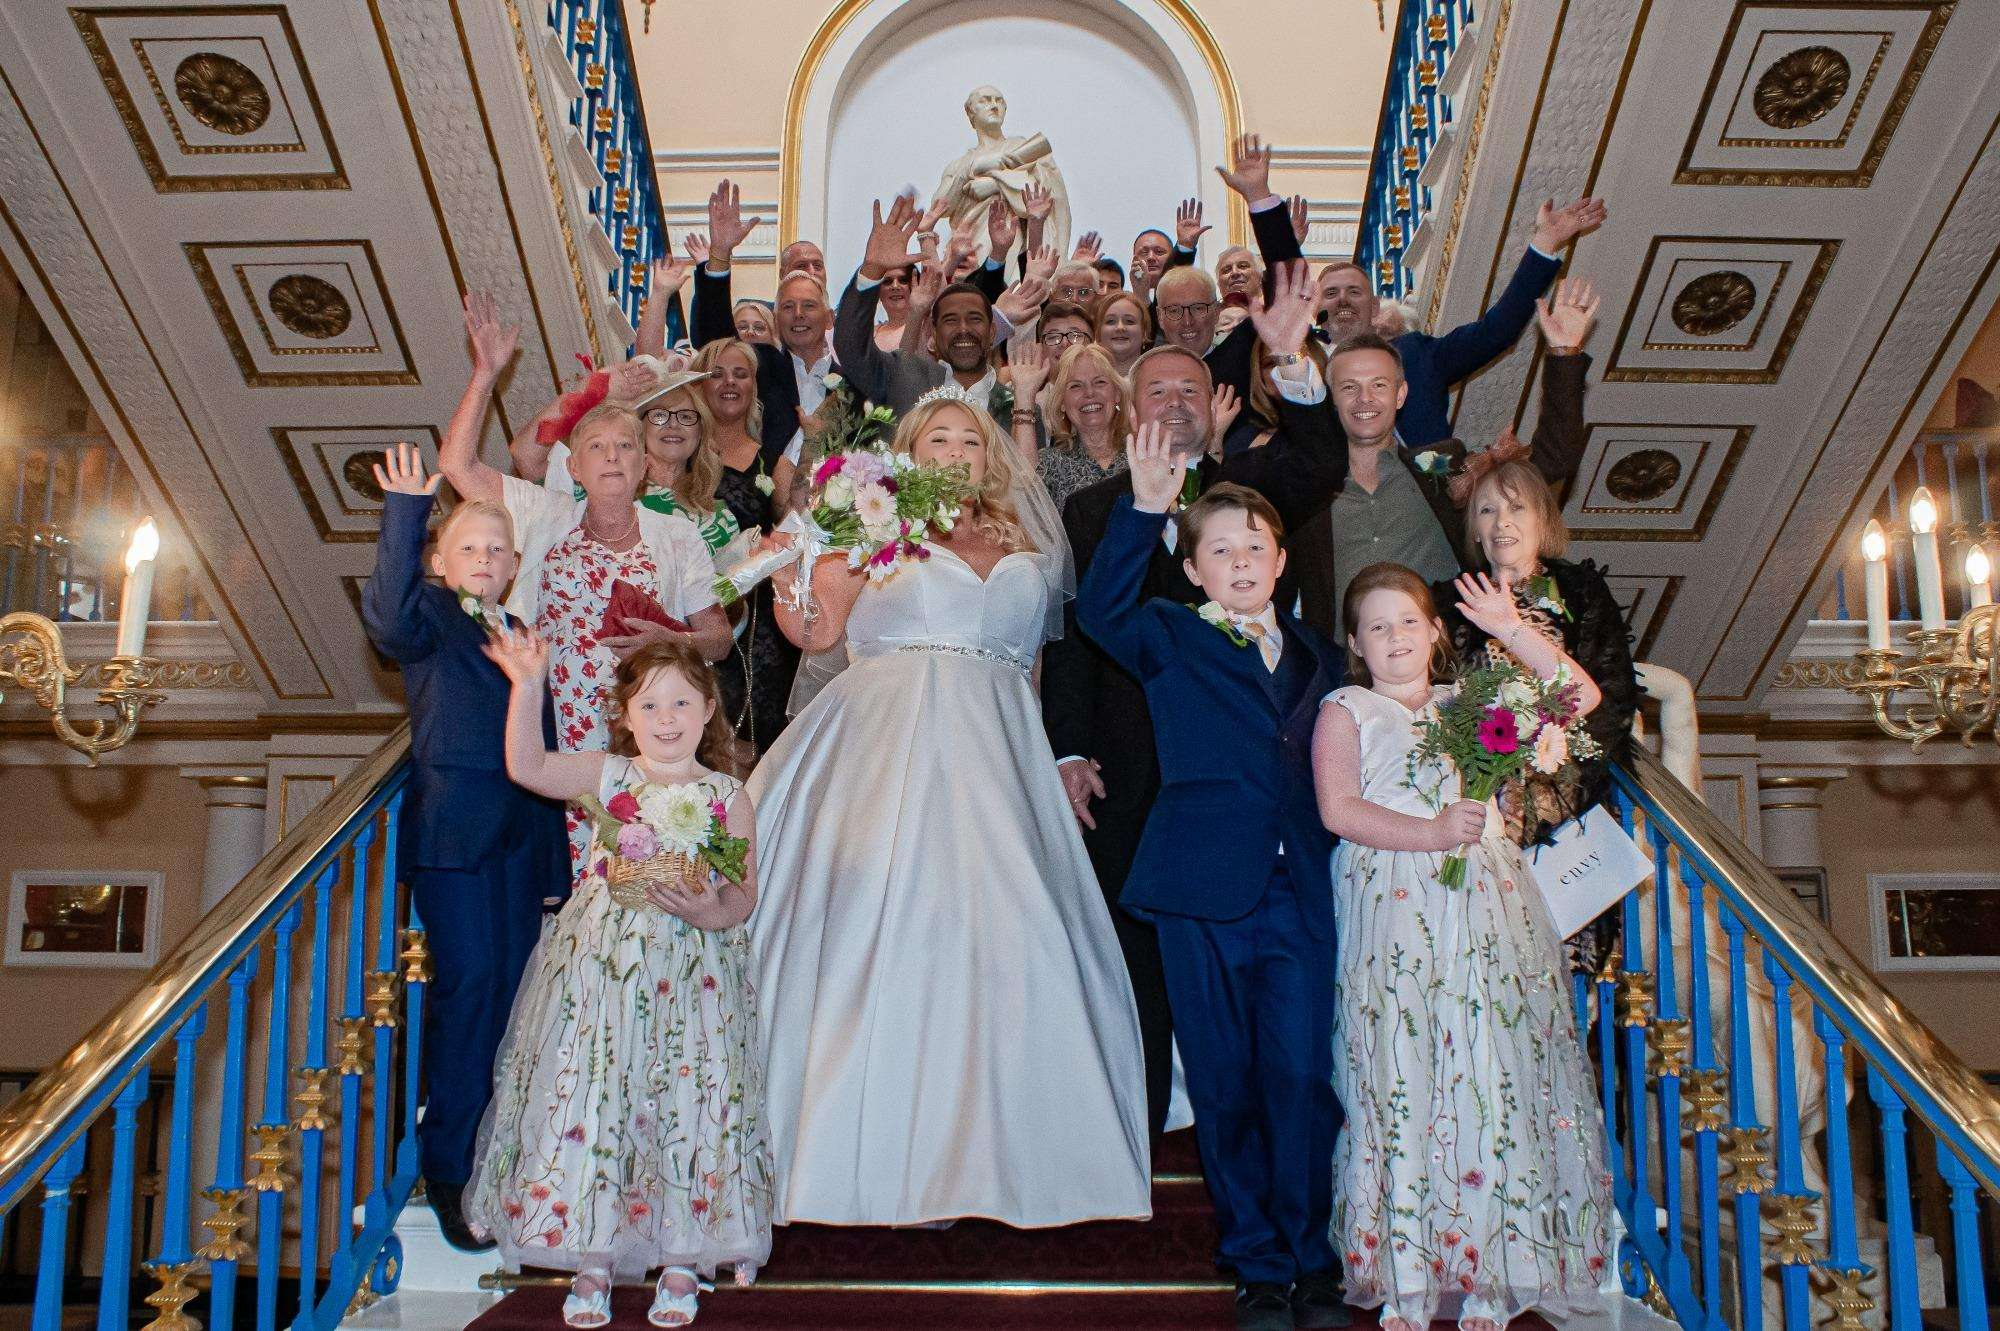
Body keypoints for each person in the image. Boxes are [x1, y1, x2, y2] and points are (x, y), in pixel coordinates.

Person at [746, 388, 1150, 1228]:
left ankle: (999, 1153)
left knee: (1008, 936)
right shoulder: (872, 519)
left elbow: (1034, 666)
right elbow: (816, 634)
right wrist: (792, 562)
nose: (957, 450)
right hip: (885, 742)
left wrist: (1047, 757)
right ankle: (873, 1153)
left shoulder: (1027, 537)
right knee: (888, 927)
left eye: (971, 438)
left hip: (999, 748)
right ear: (910, 449)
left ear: (990, 454)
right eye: (939, 437)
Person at [1045, 264, 1346, 1137]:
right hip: (1132, 766)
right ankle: (1136, 1133)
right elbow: (1073, 634)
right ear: (1133, 410)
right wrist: (1068, 749)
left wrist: (1290, 357)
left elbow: (1325, 457)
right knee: (1136, 958)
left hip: (1249, 785)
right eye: (1156, 389)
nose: (1173, 400)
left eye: (1188, 387)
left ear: (1211, 396)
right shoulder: (1097, 507)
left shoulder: (1243, 493)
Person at [1076, 430, 1347, 1331]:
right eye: (1219, 549)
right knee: (1226, 1084)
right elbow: (1101, 607)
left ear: (1279, 560)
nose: (1240, 561)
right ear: (1191, 569)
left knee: (1302, 1079)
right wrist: (1145, 507)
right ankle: (1259, 1265)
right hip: (1201, 889)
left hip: (1302, 892)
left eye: (1254, 546)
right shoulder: (1166, 635)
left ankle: (1314, 1260)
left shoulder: (1321, 654)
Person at [1314, 563, 1615, 1331]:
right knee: (1403, 1069)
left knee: (1486, 1064)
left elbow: (1581, 699)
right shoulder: (1346, 707)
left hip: (1484, 910)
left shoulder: (1474, 702)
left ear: (1438, 631)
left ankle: (1493, 1271)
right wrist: (1431, 832)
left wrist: (1511, 627)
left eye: (1408, 621)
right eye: (1376, 626)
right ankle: (1408, 1276)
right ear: (1355, 642)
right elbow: (1340, 808)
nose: (1394, 637)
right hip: (1393, 905)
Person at [468, 635, 771, 1329]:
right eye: (651, 704)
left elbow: (742, 894)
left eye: (682, 703)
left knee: (685, 1102)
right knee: (601, 1099)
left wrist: (709, 907)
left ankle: (682, 1259)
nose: (667, 718)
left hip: (694, 979)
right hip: (605, 975)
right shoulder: (610, 775)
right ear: (627, 715)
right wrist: (528, 681)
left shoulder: (727, 794)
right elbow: (528, 763)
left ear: (707, 709)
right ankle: (593, 1258)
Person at [438, 293, 731, 893]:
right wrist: (485, 373)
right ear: (573, 469)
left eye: (626, 446)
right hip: (557, 721)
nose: (613, 457)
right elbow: (458, 464)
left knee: (642, 870)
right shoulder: (545, 514)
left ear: (645, 466)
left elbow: (720, 640)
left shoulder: (676, 535)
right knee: (575, 873)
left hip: (649, 725)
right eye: (596, 447)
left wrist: (672, 637)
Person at [359, 444, 567, 1255]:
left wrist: (554, 873)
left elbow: (541, 751)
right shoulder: (430, 620)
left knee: (517, 1003)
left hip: (520, 843)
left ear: (515, 566)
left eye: (496, 549)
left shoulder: (521, 631)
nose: (484, 558)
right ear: (443, 563)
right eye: (468, 547)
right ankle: (446, 1167)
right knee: (470, 991)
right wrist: (407, 513)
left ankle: (498, 1160)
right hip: (454, 839)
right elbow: (385, 613)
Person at [1291, 277, 1599, 639]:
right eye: (1348, 387)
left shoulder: (1435, 466)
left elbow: (1553, 461)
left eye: (1379, 385)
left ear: (1401, 394)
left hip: (1454, 674)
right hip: (1347, 681)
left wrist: (1564, 354)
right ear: (1329, 400)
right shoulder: (1301, 488)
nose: (1365, 399)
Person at [1443, 450, 1638, 972]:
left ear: (1544, 521)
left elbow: (1611, 696)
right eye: (1487, 511)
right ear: (1475, 532)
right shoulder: (1449, 602)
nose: (1502, 522)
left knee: (1564, 973)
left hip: (1566, 806)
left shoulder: (1581, 591)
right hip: (1485, 810)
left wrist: (1564, 769)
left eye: (1517, 508)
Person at [1312, 196, 1605, 448]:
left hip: (1428, 500)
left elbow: (1496, 331)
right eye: (1331, 293)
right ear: (1315, 307)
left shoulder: (1415, 353)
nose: (1343, 300)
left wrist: (1546, 242)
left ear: (1375, 307)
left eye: (1354, 292)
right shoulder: (1300, 371)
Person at [833, 194, 1047, 417]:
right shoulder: (904, 383)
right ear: (932, 336)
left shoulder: (1018, 410)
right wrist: (872, 270)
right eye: (950, 320)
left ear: (993, 331)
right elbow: (851, 347)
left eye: (974, 319)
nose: (963, 329)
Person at [689, 339, 802, 754]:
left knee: (765, 733)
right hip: (697, 612)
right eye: (716, 374)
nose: (729, 383)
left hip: (761, 624)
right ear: (698, 385)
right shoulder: (680, 454)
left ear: (755, 386)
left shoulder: (774, 461)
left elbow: (792, 526)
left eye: (741, 373)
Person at [690, 183, 840, 465]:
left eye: (809, 306)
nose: (798, 314)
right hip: (765, 498)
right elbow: (714, 339)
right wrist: (720, 254)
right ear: (775, 319)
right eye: (787, 307)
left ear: (829, 317)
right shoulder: (762, 363)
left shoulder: (851, 383)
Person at [1033, 341, 1130, 508]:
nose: (1089, 393)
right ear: (1061, 402)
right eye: (1076, 386)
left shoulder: (1142, 457)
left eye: (1099, 382)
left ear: (1117, 394)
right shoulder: (1049, 463)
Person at [1094, 288, 1153, 377]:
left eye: (1129, 321)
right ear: (1098, 334)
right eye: (1110, 321)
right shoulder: (1084, 378)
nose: (1120, 327)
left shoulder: (1158, 376)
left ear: (1144, 332)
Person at [871, 266, 915, 351]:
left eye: (903, 280)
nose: (895, 286)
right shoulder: (869, 335)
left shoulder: (927, 328)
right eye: (887, 281)